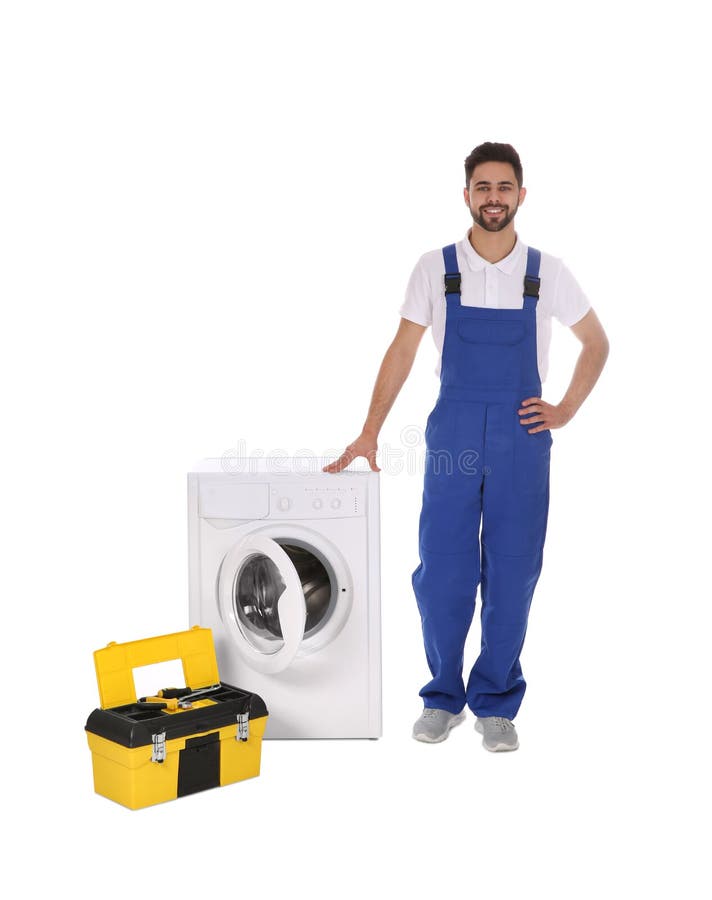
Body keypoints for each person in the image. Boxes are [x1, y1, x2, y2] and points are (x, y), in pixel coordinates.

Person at [323, 142, 609, 751]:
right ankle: (443, 697)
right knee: (443, 570)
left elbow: (597, 343)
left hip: (523, 436)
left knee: (512, 570)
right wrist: (370, 430)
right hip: (453, 432)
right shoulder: (436, 268)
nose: (494, 198)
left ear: (521, 196)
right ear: (467, 196)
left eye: (504, 187)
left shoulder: (546, 272)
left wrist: (564, 409)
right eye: (483, 187)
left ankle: (497, 702)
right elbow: (401, 351)